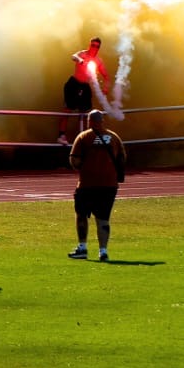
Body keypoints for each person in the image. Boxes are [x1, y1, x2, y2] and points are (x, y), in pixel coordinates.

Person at [68, 109, 126, 262]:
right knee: (103, 219)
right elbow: (122, 158)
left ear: (89, 121)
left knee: (81, 215)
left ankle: (82, 247)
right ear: (103, 121)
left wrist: (86, 167)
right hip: (109, 185)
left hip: (87, 185)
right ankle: (103, 251)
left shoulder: (83, 137)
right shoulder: (114, 137)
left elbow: (74, 160)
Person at [60, 37, 110, 144]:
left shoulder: (98, 61)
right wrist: (80, 60)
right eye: (93, 45)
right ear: (89, 45)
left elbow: (106, 76)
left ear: (99, 48)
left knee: (84, 112)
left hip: (85, 86)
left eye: (97, 46)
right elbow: (73, 56)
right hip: (74, 83)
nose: (94, 48)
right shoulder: (83, 54)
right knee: (67, 109)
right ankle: (61, 135)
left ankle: (83, 137)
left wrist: (106, 86)